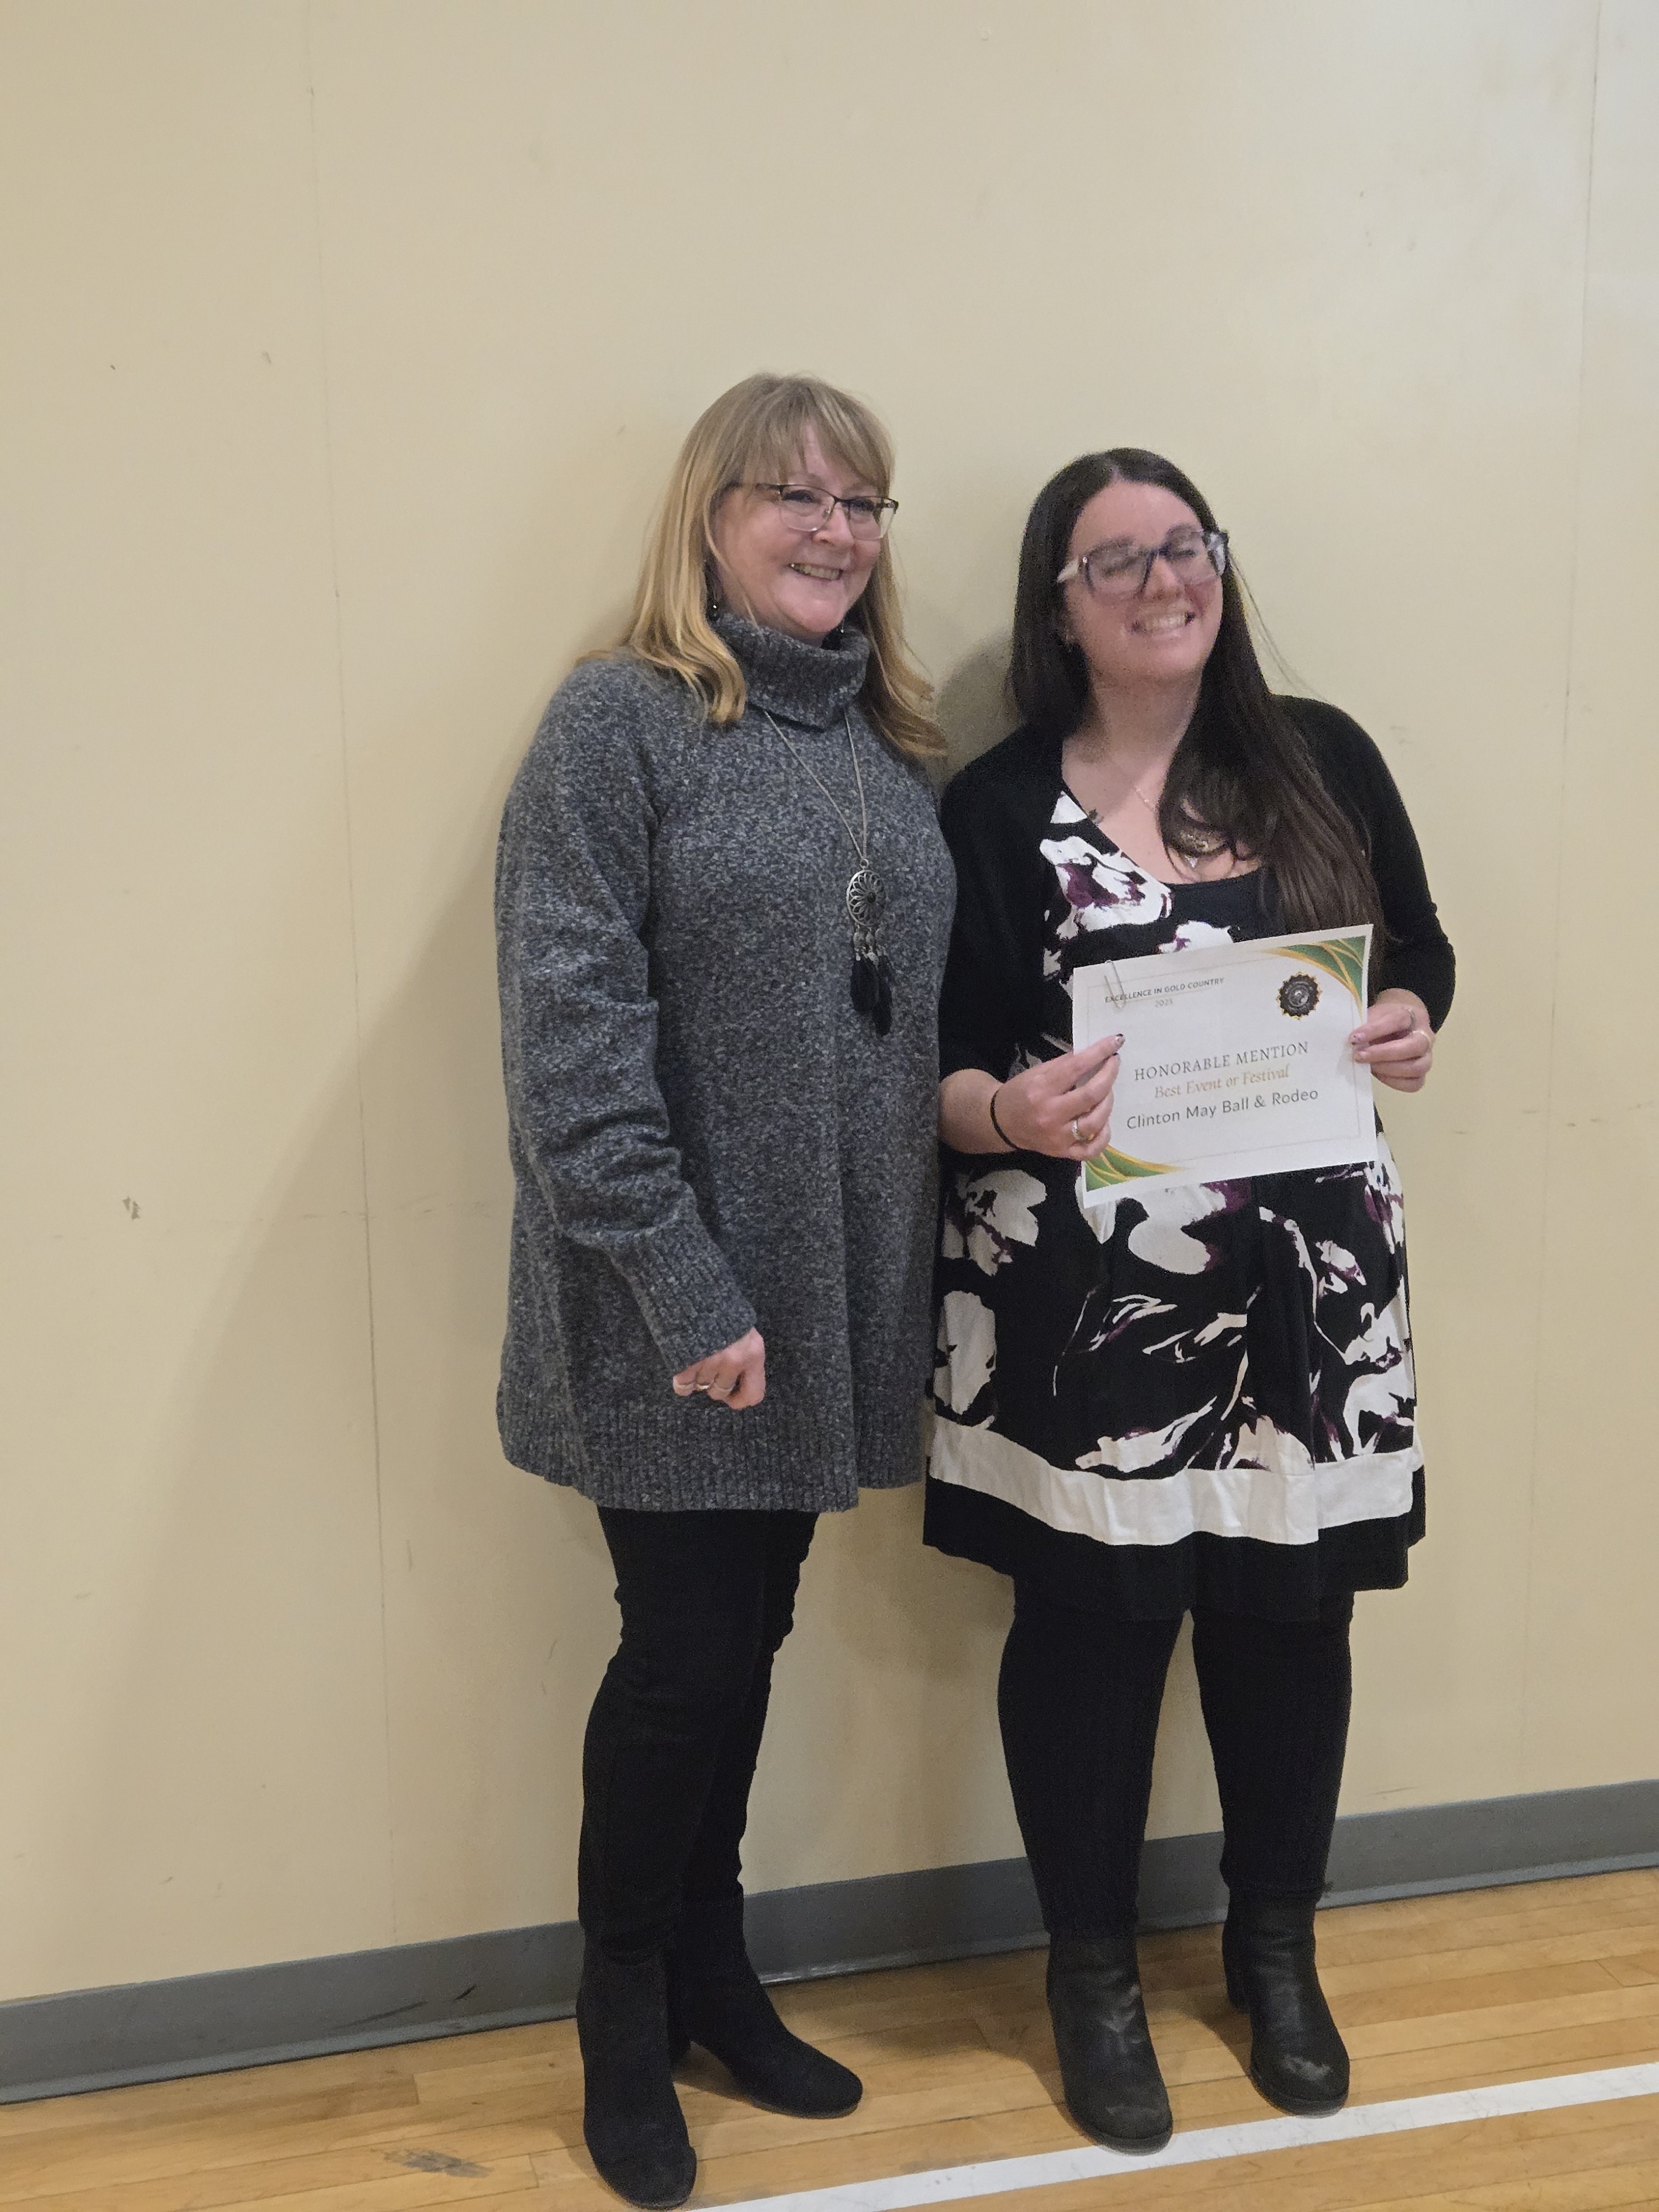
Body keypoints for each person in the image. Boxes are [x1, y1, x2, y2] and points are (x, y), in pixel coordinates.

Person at [927, 450, 1453, 2153]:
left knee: (1295, 1628)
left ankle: (1273, 1953)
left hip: (1311, 1300)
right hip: (1087, 1307)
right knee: (1089, 1637)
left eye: (1188, 545)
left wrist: (1410, 1028)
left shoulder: (1322, 761)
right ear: (1058, 607)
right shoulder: (998, 808)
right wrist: (1010, 1111)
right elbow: (929, 1062)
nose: (1167, 579)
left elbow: (1420, 957)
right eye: (1118, 559)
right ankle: (1091, 1980)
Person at [494, 374, 954, 2209]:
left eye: (865, 503)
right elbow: (572, 1046)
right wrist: (690, 1290)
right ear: (711, 515)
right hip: (668, 1305)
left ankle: (712, 1971)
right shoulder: (620, 723)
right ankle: (623, 2007)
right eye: (797, 496)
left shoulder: (885, 752)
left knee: (742, 1642)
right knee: (684, 1666)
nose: (836, 530)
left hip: (825, 1303)